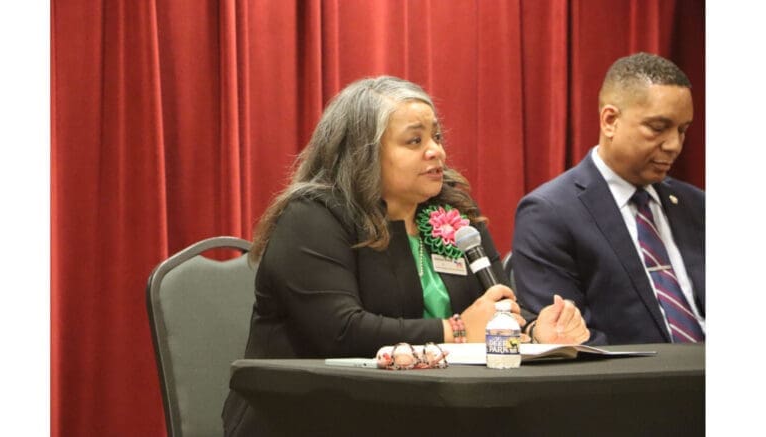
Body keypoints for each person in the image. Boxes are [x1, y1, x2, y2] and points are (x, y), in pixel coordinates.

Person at [223, 75, 590, 435]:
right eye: (415, 140)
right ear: (361, 153)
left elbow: (497, 305)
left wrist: (534, 331)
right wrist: (457, 330)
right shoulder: (313, 217)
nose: (437, 151)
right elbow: (342, 332)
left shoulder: (454, 214)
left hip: (432, 413)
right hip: (314, 417)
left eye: (437, 137)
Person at [511, 52, 705, 345]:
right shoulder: (549, 214)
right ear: (610, 120)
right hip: (638, 386)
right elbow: (572, 343)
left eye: (682, 130)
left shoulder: (697, 205)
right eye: (658, 128)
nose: (674, 145)